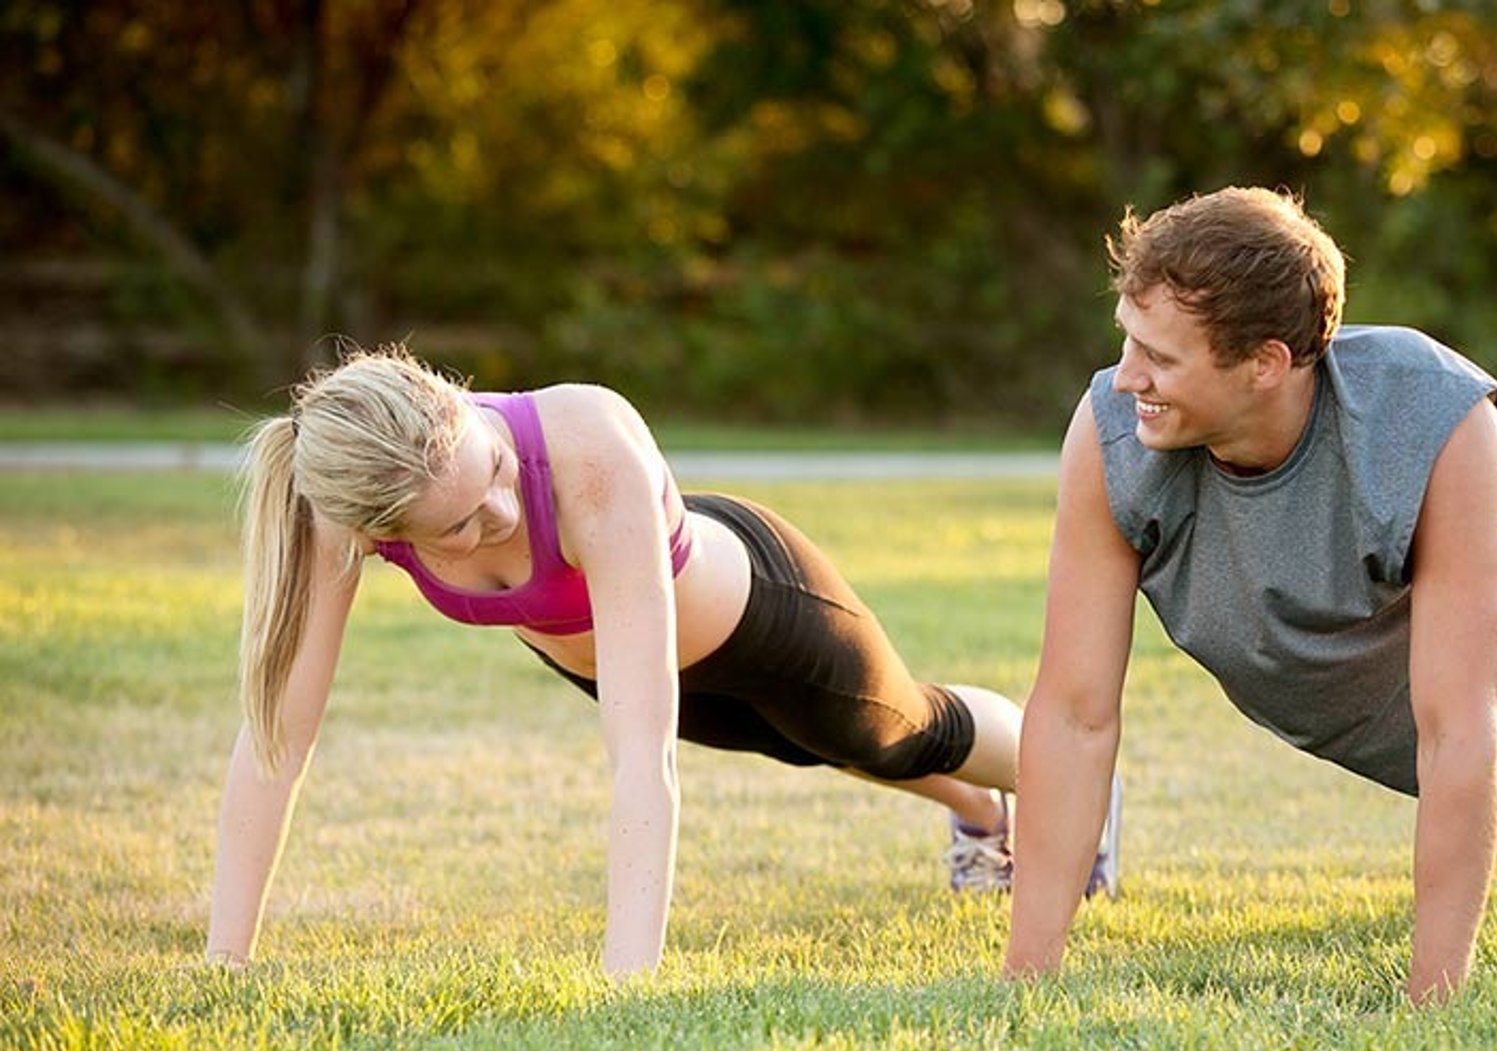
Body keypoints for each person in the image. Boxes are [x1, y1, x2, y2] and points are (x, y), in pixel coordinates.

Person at [1004, 187, 1497, 1005]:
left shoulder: (1430, 419)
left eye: (1160, 359)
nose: (1126, 379)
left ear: (1267, 363)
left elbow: (1462, 727)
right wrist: (1026, 984)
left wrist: (1432, 999)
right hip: (1380, 693)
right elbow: (1073, 714)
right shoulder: (1112, 434)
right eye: (1129, 342)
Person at [209, 347, 1116, 977]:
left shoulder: (587, 444)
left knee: (904, 734)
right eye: (460, 525)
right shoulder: (338, 511)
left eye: (492, 469)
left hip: (764, 613)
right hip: (617, 660)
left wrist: (625, 983)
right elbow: (278, 735)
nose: (500, 509)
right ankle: (978, 815)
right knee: (813, 750)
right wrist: (226, 959)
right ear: (381, 533)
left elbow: (642, 762)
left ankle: (1077, 792)